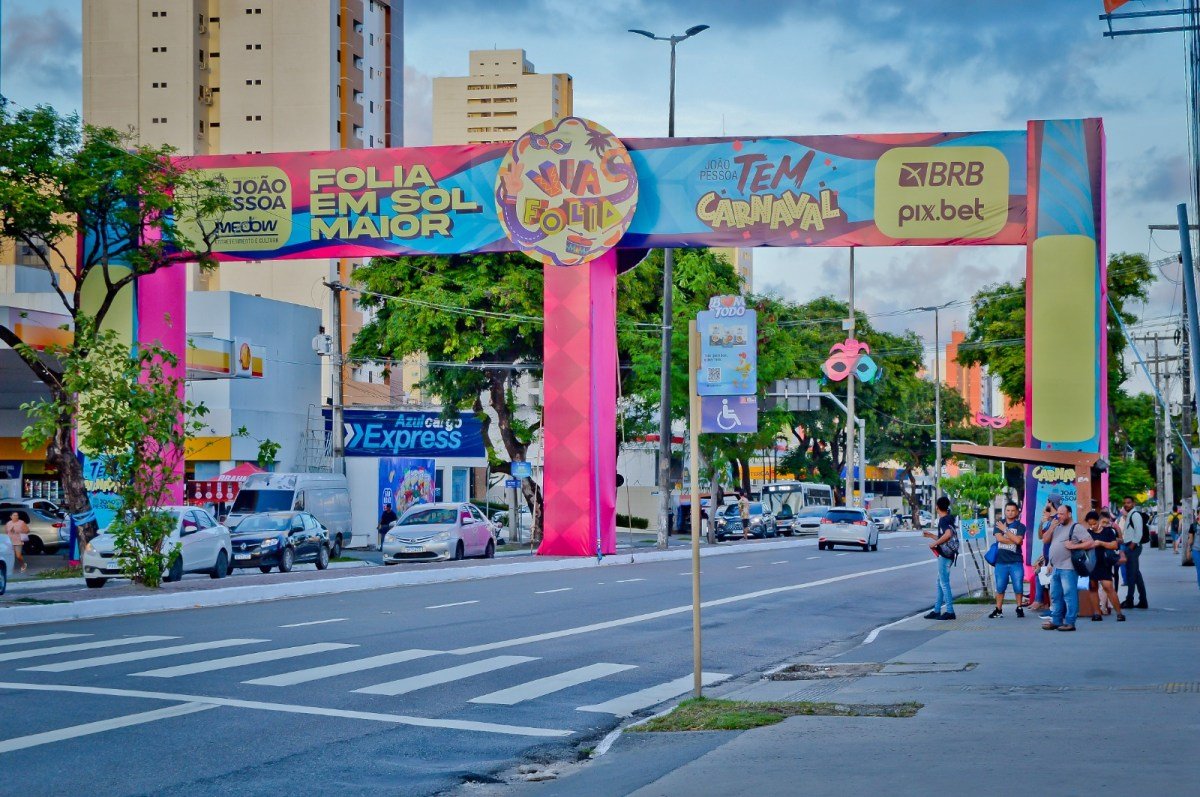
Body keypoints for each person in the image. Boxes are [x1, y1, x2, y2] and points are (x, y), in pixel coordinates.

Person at [1041, 502, 1094, 632]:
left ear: (1069, 514)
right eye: (1058, 513)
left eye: (1062, 514)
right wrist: (1052, 527)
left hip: (1068, 568)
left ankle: (1070, 622)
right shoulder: (1057, 526)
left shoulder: (1076, 527)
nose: (1059, 516)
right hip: (1055, 568)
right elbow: (1045, 540)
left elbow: (1090, 543)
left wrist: (1074, 546)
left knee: (1069, 596)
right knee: (1055, 596)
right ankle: (1057, 620)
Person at [989, 500, 1026, 619]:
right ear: (1005, 511)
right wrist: (1014, 539)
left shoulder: (1020, 526)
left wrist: (1006, 531)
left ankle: (1019, 608)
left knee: (1018, 586)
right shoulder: (999, 524)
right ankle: (998, 609)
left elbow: (1019, 541)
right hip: (1001, 562)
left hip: (1016, 561)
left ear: (1017, 512)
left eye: (1012, 511)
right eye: (1008, 510)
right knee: (1000, 587)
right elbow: (999, 539)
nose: (1010, 513)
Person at [1087, 510, 1125, 622]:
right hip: (1092, 564)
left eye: (1094, 523)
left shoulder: (1108, 531)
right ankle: (1097, 613)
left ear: (1098, 521)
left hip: (1104, 563)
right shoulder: (1087, 533)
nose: (1092, 526)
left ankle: (1119, 613)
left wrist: (1101, 543)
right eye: (1090, 524)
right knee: (1093, 587)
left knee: (1108, 587)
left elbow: (1114, 545)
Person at [923, 496, 957, 620]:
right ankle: (937, 610)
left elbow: (947, 535)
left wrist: (934, 544)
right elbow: (946, 539)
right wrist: (932, 536)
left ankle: (950, 611)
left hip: (945, 556)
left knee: (944, 583)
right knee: (940, 582)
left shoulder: (943, 520)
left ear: (937, 507)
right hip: (949, 554)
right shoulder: (949, 519)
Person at [1117, 496, 1149, 609]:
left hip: (1133, 548)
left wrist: (1130, 548)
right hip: (1130, 546)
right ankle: (1142, 601)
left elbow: (1138, 534)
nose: (1126, 504)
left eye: (1129, 503)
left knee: (1132, 574)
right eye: (1125, 503)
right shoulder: (1130, 514)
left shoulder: (1135, 515)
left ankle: (1130, 600)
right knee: (1136, 575)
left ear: (1133, 504)